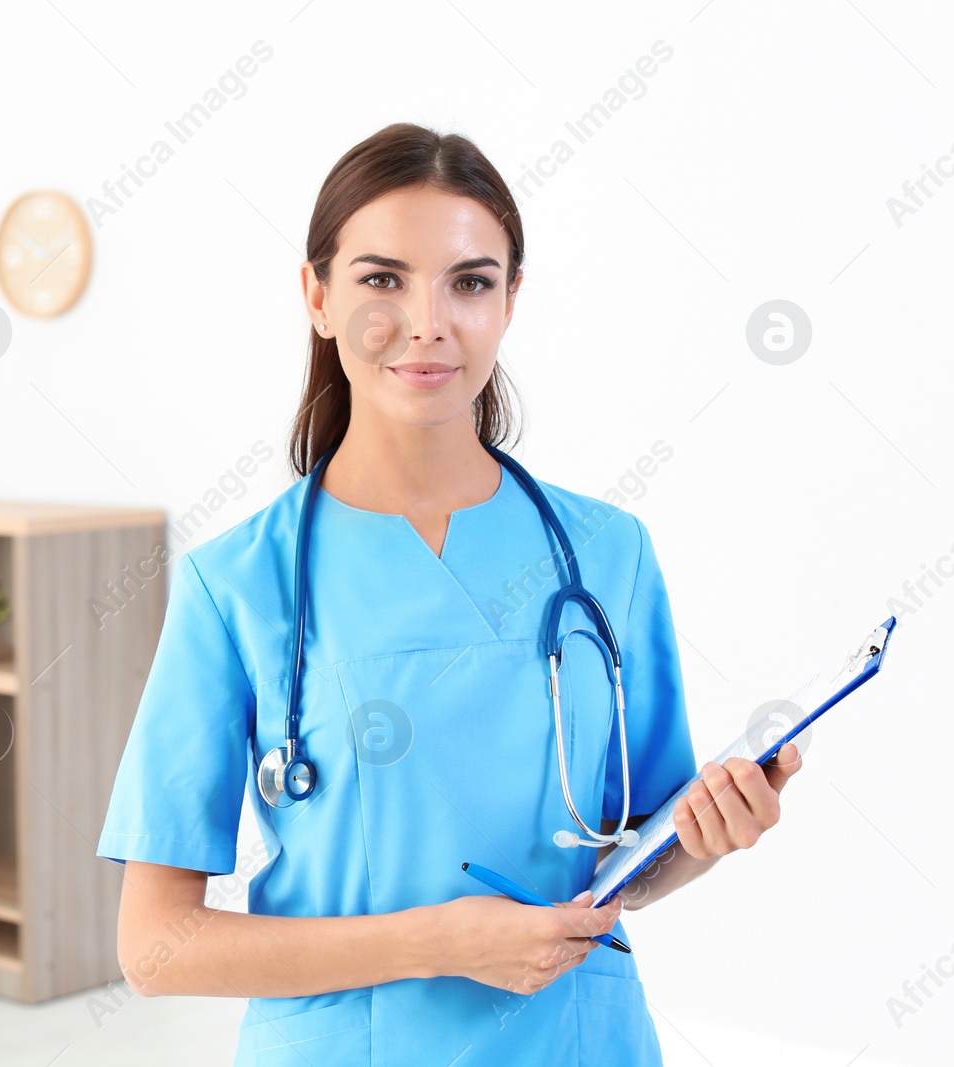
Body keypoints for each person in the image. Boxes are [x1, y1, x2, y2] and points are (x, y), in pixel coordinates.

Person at [95, 122, 803, 1066]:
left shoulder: (608, 553)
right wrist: (437, 940)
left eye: (469, 281)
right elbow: (153, 947)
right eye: (383, 278)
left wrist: (710, 837)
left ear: (510, 302)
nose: (429, 320)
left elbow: (632, 862)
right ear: (317, 295)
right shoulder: (235, 585)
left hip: (577, 1042)